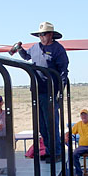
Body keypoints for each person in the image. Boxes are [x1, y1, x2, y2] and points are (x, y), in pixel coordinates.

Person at [11, 21, 69, 163]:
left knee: (52, 125)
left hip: (51, 92)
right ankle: (49, 151)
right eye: (39, 35)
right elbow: (26, 56)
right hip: (37, 91)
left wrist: (59, 93)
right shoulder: (35, 48)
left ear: (51, 35)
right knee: (42, 126)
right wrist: (19, 49)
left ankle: (57, 152)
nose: (41, 37)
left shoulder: (58, 49)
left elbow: (63, 71)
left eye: (43, 34)